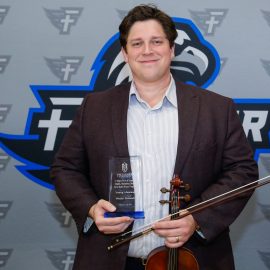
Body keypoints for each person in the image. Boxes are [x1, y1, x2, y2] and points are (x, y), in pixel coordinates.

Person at [51, 4, 258, 270]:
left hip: (191, 260)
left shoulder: (217, 109)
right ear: (125, 54)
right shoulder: (94, 107)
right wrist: (91, 208)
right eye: (137, 43)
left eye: (156, 41)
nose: (147, 51)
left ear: (171, 49)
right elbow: (65, 169)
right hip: (110, 260)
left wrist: (197, 218)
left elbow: (242, 171)